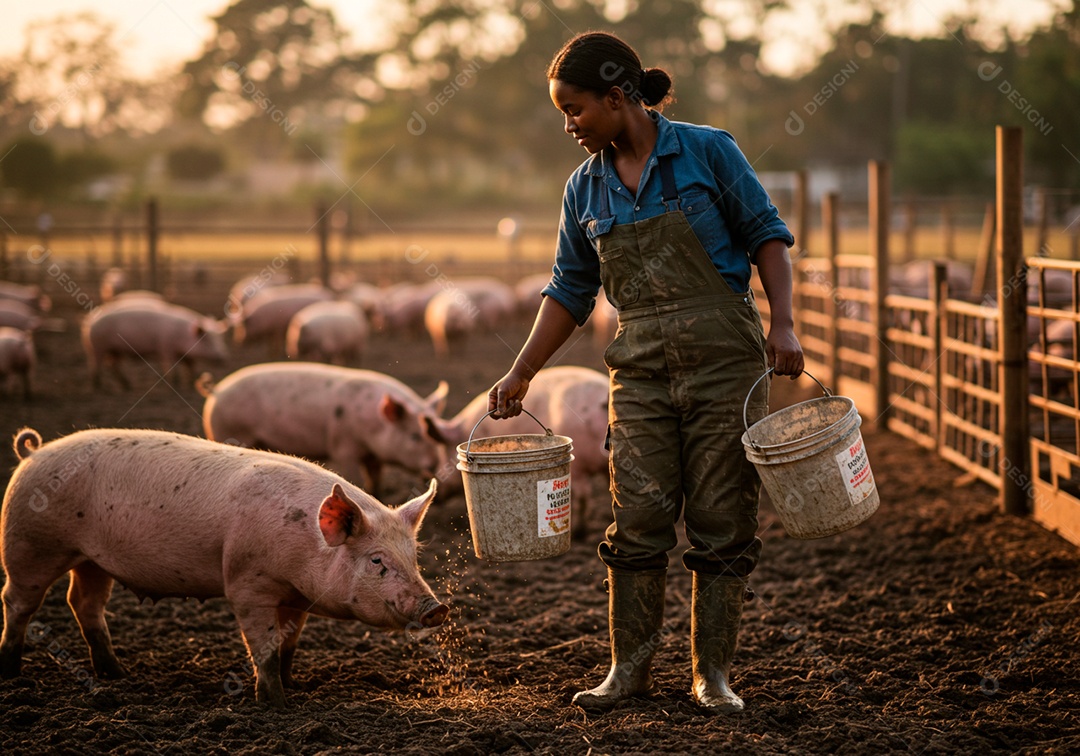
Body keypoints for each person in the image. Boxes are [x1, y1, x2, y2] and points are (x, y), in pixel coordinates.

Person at [487, 31, 804, 715]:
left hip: (725, 361)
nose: (569, 125)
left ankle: (711, 674)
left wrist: (782, 323)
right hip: (641, 371)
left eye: (575, 110)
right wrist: (520, 373)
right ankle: (627, 670)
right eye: (562, 113)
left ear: (616, 97)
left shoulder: (708, 151)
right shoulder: (585, 188)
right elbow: (569, 291)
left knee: (723, 518)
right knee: (637, 518)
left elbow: (767, 236)